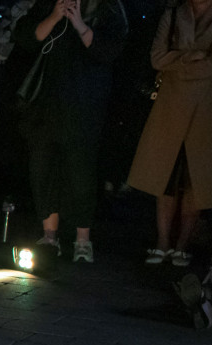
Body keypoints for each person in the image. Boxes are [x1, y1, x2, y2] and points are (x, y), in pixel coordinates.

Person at [15, 0, 128, 263]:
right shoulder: (53, 3)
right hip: (45, 104)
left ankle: (82, 240)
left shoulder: (107, 7)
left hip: (84, 105)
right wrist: (55, 15)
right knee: (43, 168)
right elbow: (27, 37)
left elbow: (109, 49)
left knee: (80, 173)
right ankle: (49, 236)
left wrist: (79, 23)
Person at [127, 0, 212, 267]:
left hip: (208, 110)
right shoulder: (173, 15)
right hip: (171, 105)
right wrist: (191, 56)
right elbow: (156, 58)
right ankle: (163, 243)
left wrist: (175, 63)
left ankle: (182, 246)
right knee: (164, 176)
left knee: (196, 180)